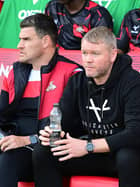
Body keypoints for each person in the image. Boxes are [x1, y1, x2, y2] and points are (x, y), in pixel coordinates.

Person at [33, 26, 140, 187]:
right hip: (94, 150)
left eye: (95, 54)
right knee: (44, 151)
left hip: (132, 152)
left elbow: (136, 133)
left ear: (113, 55)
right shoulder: (77, 81)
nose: (87, 59)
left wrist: (88, 146)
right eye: (84, 53)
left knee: (127, 156)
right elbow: (63, 118)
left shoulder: (133, 82)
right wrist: (52, 132)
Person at [0, 14, 82, 187]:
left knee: (7, 159)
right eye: (19, 39)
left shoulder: (72, 73)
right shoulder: (14, 73)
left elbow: (72, 129)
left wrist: (27, 140)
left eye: (26, 39)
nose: (18, 46)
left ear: (45, 41)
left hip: (45, 152)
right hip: (13, 144)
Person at [45, 0, 113, 50]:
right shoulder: (52, 7)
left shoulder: (98, 15)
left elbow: (101, 52)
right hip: (56, 61)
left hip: (84, 64)